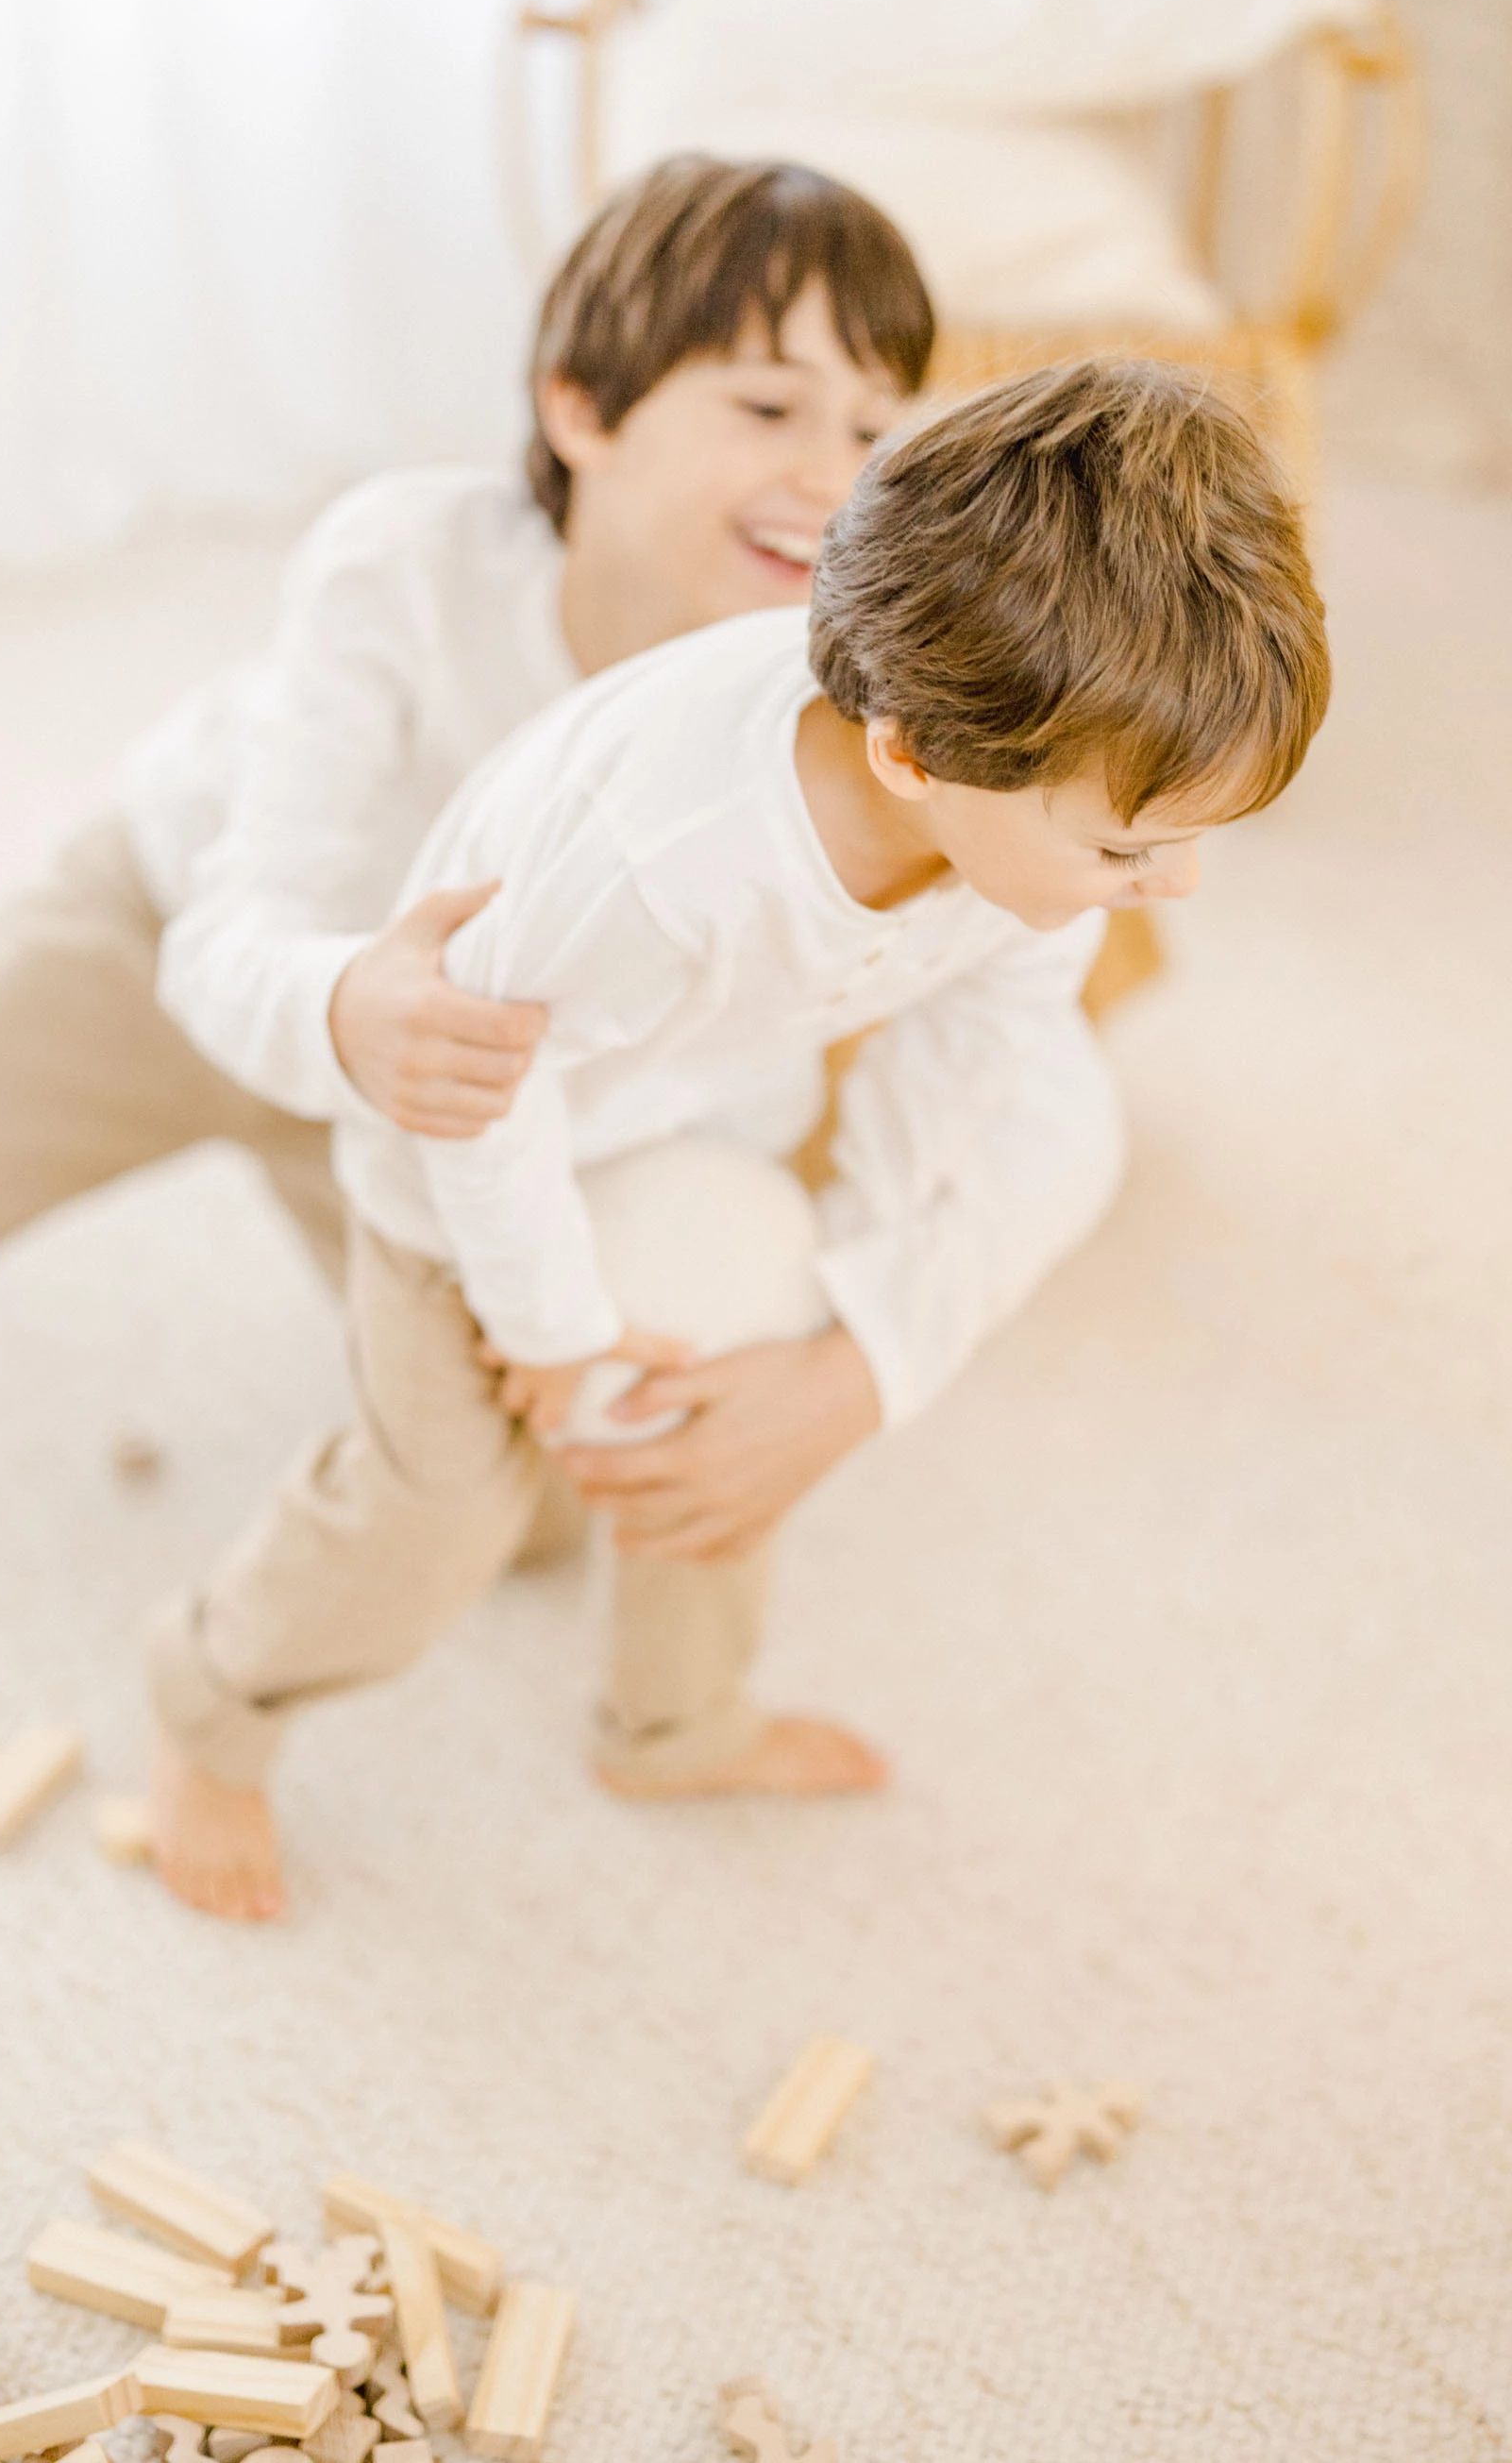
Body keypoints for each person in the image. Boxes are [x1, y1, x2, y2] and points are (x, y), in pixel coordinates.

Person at [0, 156, 933, 1872]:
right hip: (175, 960)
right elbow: (237, 929)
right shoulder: (409, 566)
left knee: (546, 1521)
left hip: (431, 1094)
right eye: (770, 402)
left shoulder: (802, 699)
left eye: (879, 429)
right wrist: (349, 1005)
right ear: (581, 407)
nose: (831, 472)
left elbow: (731, 1066)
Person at [146, 356, 1330, 1920]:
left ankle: (676, 1722)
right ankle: (211, 1706)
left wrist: (858, 1278)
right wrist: (551, 1331)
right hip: (472, 1150)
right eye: (1128, 847)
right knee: (438, 1513)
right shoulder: (672, 859)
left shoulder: (1033, 834)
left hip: (682, 1117)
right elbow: (486, 1103)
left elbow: (980, 1045)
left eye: (1188, 845)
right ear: (914, 756)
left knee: (727, 1398)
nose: (1168, 889)